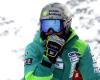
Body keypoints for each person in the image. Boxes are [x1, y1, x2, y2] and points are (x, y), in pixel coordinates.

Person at [24, 2, 100, 80]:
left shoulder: (81, 47)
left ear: (66, 25)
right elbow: (31, 78)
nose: (51, 31)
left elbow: (93, 77)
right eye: (46, 25)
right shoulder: (34, 48)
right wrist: (48, 59)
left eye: (55, 25)